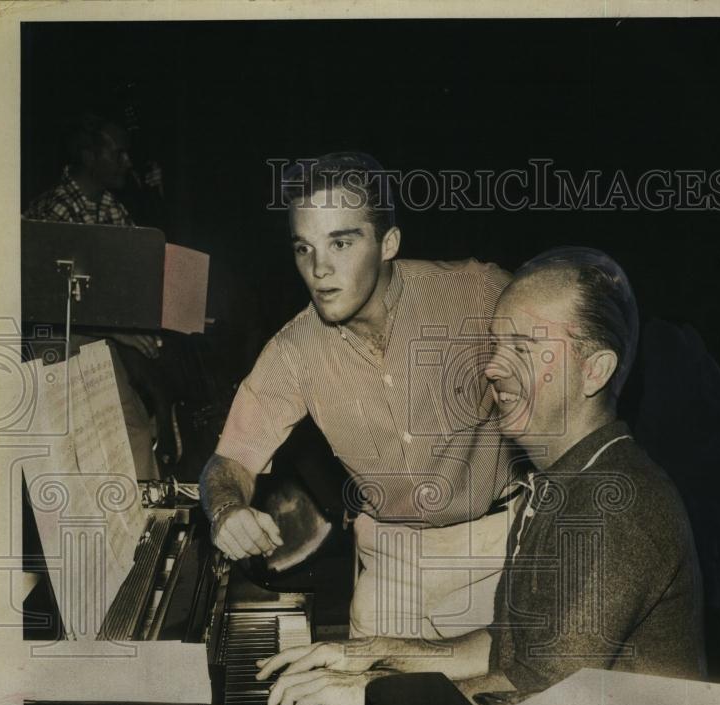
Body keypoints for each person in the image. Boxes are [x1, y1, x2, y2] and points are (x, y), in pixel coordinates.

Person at [257, 247, 707, 705]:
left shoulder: (617, 505)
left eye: (523, 347)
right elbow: (506, 644)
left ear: (594, 370)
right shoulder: (559, 482)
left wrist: (372, 690)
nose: (493, 367)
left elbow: (537, 696)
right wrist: (371, 652)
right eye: (495, 346)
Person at [201, 152, 522, 639]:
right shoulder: (292, 350)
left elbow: (573, 386)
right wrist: (227, 509)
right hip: (390, 567)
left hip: (497, 554)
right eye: (303, 249)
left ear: (388, 242)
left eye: (341, 242)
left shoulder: (479, 294)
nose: (319, 270)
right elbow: (229, 464)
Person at [24, 112, 174, 479]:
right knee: (106, 445)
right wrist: (120, 332)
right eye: (118, 153)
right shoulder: (56, 208)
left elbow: (137, 263)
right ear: (90, 156)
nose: (127, 161)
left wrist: (156, 198)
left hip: (94, 339)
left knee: (134, 433)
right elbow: (49, 299)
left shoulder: (105, 204)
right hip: (57, 345)